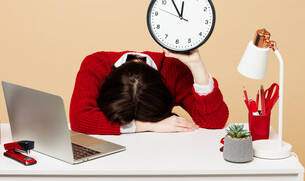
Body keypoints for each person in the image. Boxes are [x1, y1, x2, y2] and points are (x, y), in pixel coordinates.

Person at [69, 49, 229, 135]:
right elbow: (79, 119)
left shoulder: (173, 69)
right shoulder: (96, 64)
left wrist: (197, 66)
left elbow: (214, 121)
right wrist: (149, 125)